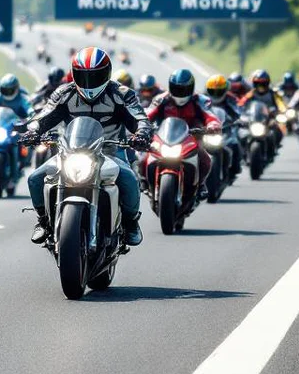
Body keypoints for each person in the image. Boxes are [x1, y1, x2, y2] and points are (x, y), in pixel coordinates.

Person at [19, 47, 152, 246]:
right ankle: (44, 221)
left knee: (130, 179)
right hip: (70, 153)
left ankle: (131, 223)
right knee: (35, 178)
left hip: (110, 152)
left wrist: (142, 134)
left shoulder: (122, 94)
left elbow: (140, 118)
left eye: (95, 76)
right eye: (84, 76)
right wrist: (33, 130)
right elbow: (44, 116)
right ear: (74, 74)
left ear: (107, 73)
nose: (89, 83)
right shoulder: (64, 93)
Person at [147, 69, 222, 198]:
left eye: (184, 89)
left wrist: (213, 125)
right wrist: (140, 126)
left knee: (205, 159)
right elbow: (148, 115)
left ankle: (200, 185)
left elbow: (210, 116)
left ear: (191, 88)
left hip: (191, 138)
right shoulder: (161, 99)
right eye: (177, 89)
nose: (180, 92)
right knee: (143, 157)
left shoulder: (200, 100)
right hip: (163, 138)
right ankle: (144, 182)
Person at [204, 74, 242, 177]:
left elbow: (238, 111)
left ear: (225, 90)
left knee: (235, 143)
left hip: (225, 128)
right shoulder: (203, 99)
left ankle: (234, 169)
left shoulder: (231, 99)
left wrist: (240, 120)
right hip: (206, 130)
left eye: (219, 91)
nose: (216, 94)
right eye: (213, 91)